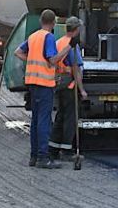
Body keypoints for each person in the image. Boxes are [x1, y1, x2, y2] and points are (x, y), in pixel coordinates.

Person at [14, 9, 74, 168]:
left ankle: (34, 157)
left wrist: (32, 61)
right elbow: (52, 60)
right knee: (44, 121)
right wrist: (67, 48)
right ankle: (43, 157)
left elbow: (18, 52)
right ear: (53, 23)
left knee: (35, 120)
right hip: (44, 84)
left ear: (41, 21)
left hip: (32, 83)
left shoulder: (33, 36)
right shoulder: (49, 37)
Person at [49, 17, 88, 161]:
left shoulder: (59, 42)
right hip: (69, 84)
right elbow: (75, 68)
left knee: (60, 116)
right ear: (76, 30)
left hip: (59, 82)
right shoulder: (71, 45)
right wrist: (82, 90)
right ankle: (66, 150)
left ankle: (53, 148)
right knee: (70, 118)